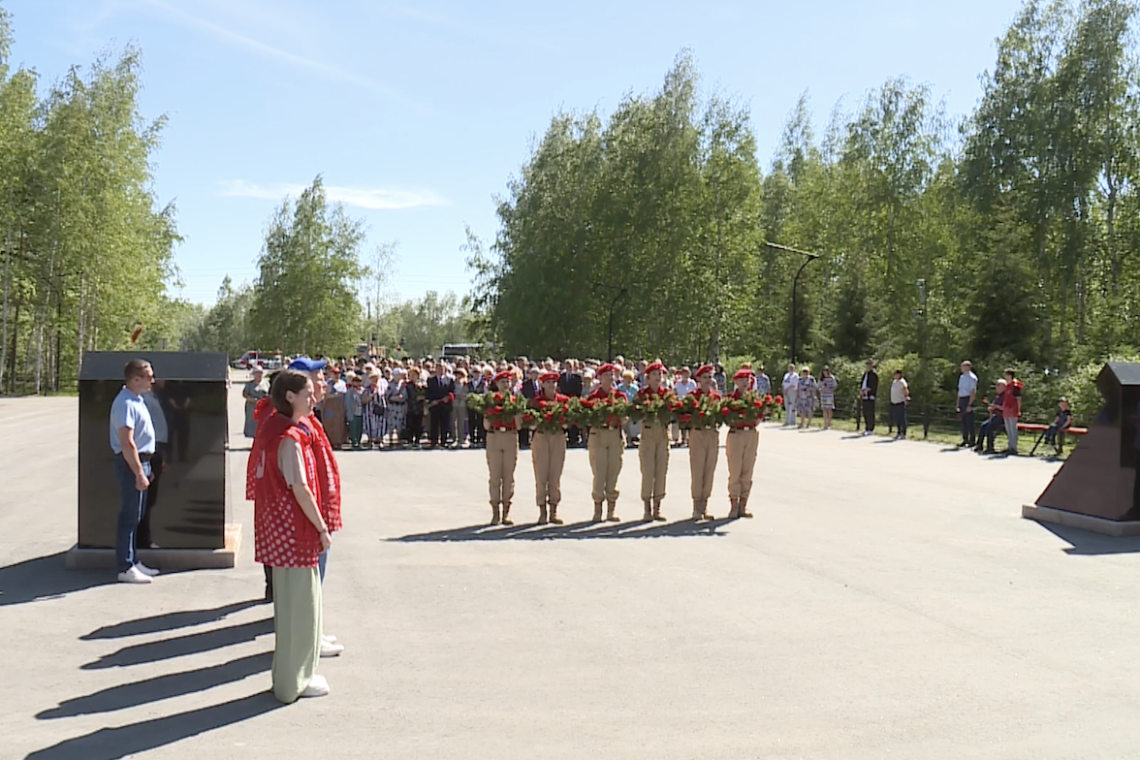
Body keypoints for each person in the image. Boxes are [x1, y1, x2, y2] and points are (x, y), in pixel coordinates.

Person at [253, 370, 331, 702]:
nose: (313, 398)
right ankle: (297, 679)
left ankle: (287, 676)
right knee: (302, 608)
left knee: (288, 609)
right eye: (307, 393)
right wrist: (322, 527)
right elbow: (299, 487)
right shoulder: (290, 437)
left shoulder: (275, 431)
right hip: (294, 533)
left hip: (279, 532)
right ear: (289, 397)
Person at [111, 359, 159, 584]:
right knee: (129, 516)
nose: (153, 381)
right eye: (149, 376)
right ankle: (125, 566)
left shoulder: (136, 400)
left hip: (141, 461)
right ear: (135, 379)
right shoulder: (125, 403)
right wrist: (139, 472)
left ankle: (133, 560)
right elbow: (127, 442)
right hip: (132, 462)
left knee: (136, 516)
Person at [587, 363, 626, 522]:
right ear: (600, 378)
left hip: (615, 434)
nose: (610, 378)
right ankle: (598, 509)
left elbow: (625, 418)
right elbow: (588, 418)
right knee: (599, 472)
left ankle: (611, 510)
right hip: (599, 435)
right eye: (606, 375)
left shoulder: (620, 396)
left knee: (613, 471)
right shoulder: (594, 397)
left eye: (612, 375)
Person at [636, 361, 673, 522]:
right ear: (648, 378)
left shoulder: (667, 394)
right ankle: (647, 508)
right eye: (655, 374)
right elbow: (636, 413)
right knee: (648, 470)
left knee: (661, 470)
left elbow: (673, 411)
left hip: (663, 432)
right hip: (649, 432)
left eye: (660, 374)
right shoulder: (643, 395)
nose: (659, 377)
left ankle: (658, 507)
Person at [530, 371, 568, 525]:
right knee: (541, 474)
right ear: (542, 385)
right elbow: (531, 423)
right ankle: (542, 511)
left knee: (555, 474)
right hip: (541, 436)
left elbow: (568, 422)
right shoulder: (536, 402)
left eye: (553, 382)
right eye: (548, 383)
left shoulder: (563, 401)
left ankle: (554, 510)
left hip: (558, 436)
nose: (551, 385)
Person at [485, 370, 521, 525]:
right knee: (495, 476)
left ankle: (506, 511)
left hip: (510, 436)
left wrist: (515, 414)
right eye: (502, 382)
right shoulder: (491, 400)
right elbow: (486, 425)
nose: (505, 385)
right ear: (496, 384)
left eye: (507, 382)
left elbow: (519, 425)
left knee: (508, 476)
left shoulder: (515, 401)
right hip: (494, 436)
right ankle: (495, 512)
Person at [687, 364, 721, 521]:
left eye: (710, 377)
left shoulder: (716, 397)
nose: (708, 380)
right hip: (698, 433)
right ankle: (696, 507)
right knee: (698, 469)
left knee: (709, 470)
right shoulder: (693, 396)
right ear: (699, 379)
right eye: (705, 377)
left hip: (712, 433)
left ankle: (705, 505)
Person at [139, 384, 170, 550]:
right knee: (146, 499)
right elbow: (148, 429)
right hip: (151, 451)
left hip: (156, 449)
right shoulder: (144, 398)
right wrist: (157, 454)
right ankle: (143, 539)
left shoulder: (153, 396)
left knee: (150, 499)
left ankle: (144, 537)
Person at [725, 368, 759, 519]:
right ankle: (733, 504)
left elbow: (760, 413)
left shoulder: (754, 399)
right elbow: (726, 416)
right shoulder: (731, 399)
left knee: (748, 470)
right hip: (736, 434)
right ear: (736, 382)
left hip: (751, 433)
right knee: (735, 471)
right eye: (742, 380)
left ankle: (743, 505)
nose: (745, 382)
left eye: (748, 379)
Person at [426, 362, 456, 448]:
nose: (440, 370)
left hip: (445, 405)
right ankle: (434, 441)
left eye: (442, 368)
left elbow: (452, 391)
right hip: (435, 405)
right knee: (434, 423)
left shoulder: (450, 380)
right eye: (438, 368)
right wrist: (432, 401)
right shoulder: (431, 380)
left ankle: (444, 441)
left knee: (445, 424)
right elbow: (429, 392)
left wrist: (448, 397)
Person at [976, 379, 1008, 454]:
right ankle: (979, 446)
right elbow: (993, 406)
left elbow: (1005, 408)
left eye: (998, 385)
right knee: (983, 425)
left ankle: (990, 447)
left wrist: (995, 406)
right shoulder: (998, 396)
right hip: (995, 416)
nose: (996, 387)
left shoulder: (1006, 396)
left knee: (990, 427)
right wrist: (991, 408)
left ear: (1003, 387)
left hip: (1002, 417)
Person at [559, 360, 584, 448]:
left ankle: (574, 438)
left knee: (573, 420)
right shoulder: (562, 377)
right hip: (564, 400)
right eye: (567, 365)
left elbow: (579, 389)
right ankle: (567, 437)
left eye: (570, 365)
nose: (568, 367)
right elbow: (560, 388)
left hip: (573, 400)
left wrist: (575, 399)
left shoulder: (577, 377)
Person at [956, 361, 979, 448]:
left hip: (968, 398)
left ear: (967, 367)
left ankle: (972, 441)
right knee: (963, 421)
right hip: (962, 398)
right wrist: (957, 404)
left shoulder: (972, 378)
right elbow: (959, 391)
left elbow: (973, 391)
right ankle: (965, 439)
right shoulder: (961, 377)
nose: (961, 368)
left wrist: (970, 404)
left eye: (963, 366)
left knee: (970, 421)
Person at [672, 367, 697, 446]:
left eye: (687, 373)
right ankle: (683, 439)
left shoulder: (692, 383)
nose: (685, 375)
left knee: (690, 422)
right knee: (682, 421)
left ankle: (690, 439)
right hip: (681, 403)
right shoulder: (678, 383)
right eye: (684, 373)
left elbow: (695, 392)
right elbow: (675, 392)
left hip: (690, 404)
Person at [361, 370, 386, 448]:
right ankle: (370, 440)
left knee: (380, 425)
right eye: (373, 378)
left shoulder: (383, 387)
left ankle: (380, 440)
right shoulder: (367, 389)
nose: (374, 380)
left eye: (376, 378)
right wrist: (372, 395)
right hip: (370, 411)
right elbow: (364, 400)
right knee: (370, 425)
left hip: (380, 410)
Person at [243, 366, 269, 438]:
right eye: (257, 373)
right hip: (252, 407)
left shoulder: (266, 383)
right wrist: (253, 399)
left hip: (264, 407)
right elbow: (245, 394)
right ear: (254, 374)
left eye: (260, 373)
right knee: (252, 422)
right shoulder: (249, 384)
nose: (258, 375)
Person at [383, 368, 407, 448]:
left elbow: (404, 396)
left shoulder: (403, 384)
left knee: (399, 424)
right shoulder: (390, 384)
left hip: (400, 407)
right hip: (392, 407)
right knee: (391, 424)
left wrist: (400, 398)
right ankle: (390, 440)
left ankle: (398, 440)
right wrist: (395, 398)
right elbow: (387, 396)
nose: (400, 376)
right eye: (398, 375)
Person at [1002, 369, 1023, 454]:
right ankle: (1010, 446)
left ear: (1010, 376)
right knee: (1008, 429)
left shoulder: (1015, 387)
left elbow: (1019, 399)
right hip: (1006, 410)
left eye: (1006, 375)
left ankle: (1014, 447)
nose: (1005, 377)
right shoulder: (1007, 386)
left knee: (1013, 429)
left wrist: (1018, 410)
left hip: (1013, 410)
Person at [859, 360, 879, 436]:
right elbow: (862, 383)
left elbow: (873, 386)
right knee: (865, 412)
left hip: (870, 396)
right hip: (864, 396)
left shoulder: (874, 375)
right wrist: (861, 390)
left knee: (870, 412)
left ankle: (871, 428)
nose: (867, 367)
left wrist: (867, 390)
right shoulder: (865, 374)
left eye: (869, 365)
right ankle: (867, 427)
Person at [345, 374, 364, 450]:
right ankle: (353, 442)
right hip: (353, 412)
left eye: (359, 381)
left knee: (359, 428)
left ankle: (359, 442)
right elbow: (347, 403)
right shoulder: (350, 391)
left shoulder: (362, 390)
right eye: (356, 381)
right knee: (353, 427)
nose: (358, 383)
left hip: (361, 412)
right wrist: (348, 413)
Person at [890, 369, 910, 439]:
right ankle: (898, 432)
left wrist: (906, 397)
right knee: (897, 418)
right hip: (894, 402)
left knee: (902, 418)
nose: (895, 375)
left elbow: (905, 390)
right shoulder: (894, 382)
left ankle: (903, 433)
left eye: (896, 374)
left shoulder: (902, 382)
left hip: (900, 402)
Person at [452, 368, 470, 447]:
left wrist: (463, 396)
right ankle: (454, 439)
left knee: (461, 422)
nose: (458, 376)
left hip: (462, 404)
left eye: (460, 375)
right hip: (454, 404)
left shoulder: (466, 384)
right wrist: (456, 396)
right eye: (457, 375)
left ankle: (461, 439)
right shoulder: (452, 383)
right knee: (453, 422)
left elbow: (468, 394)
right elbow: (450, 393)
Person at [818, 366, 838, 430]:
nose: (825, 372)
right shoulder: (821, 379)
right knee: (824, 409)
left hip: (829, 395)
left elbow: (835, 386)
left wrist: (830, 389)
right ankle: (825, 423)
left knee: (829, 408)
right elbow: (819, 386)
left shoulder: (832, 378)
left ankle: (829, 422)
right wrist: (821, 390)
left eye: (826, 370)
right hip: (823, 395)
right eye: (824, 371)